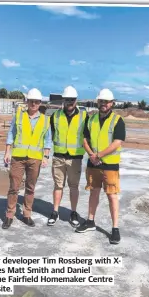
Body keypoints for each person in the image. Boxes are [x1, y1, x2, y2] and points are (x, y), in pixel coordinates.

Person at [75, 88, 126, 245]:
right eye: (101, 101)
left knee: (112, 195)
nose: (103, 104)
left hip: (109, 164)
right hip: (93, 163)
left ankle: (115, 228)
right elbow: (85, 139)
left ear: (112, 103)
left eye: (106, 101)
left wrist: (99, 155)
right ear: (98, 102)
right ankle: (90, 221)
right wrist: (92, 154)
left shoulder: (118, 120)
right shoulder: (91, 119)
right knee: (94, 192)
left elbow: (117, 142)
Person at [2, 88, 52, 229]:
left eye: (36, 102)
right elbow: (11, 134)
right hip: (18, 157)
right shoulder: (19, 115)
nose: (34, 104)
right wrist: (7, 152)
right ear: (27, 102)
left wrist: (46, 156)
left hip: (35, 159)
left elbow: (48, 140)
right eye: (31, 101)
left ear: (40, 103)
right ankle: (9, 215)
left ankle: (26, 214)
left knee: (30, 188)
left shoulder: (45, 120)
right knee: (14, 187)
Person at [47, 86, 88, 227]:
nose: (70, 102)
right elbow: (49, 136)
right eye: (67, 99)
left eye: (72, 99)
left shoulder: (84, 116)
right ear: (63, 100)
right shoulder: (55, 116)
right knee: (58, 185)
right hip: (58, 157)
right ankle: (55, 212)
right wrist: (45, 153)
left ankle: (73, 212)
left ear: (76, 100)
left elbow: (89, 136)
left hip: (75, 158)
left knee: (74, 186)